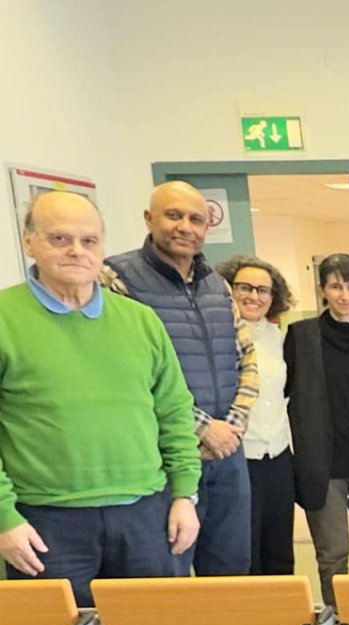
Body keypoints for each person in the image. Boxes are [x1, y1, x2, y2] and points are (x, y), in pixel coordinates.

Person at [0, 192, 200, 606]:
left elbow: (174, 413)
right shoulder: (5, 318)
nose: (76, 251)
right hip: (43, 523)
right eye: (59, 239)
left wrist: (184, 494)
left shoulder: (140, 320)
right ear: (28, 242)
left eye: (89, 241)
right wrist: (4, 518)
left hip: (147, 517)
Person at [103, 181, 256, 576]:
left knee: (231, 573)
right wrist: (202, 428)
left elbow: (247, 359)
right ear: (149, 219)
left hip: (227, 457)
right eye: (174, 215)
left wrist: (232, 427)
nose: (185, 227)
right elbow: (126, 374)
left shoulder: (217, 285)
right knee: (166, 575)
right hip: (164, 455)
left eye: (195, 219)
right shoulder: (115, 281)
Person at [284, 254, 349, 607]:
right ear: (322, 291)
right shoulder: (300, 337)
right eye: (336, 286)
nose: (345, 295)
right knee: (332, 556)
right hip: (322, 463)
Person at [216, 255, 296, 575]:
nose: (254, 296)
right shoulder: (219, 337)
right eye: (244, 287)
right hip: (237, 456)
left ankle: (284, 620)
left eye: (263, 290)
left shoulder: (281, 340)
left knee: (279, 547)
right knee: (242, 548)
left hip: (277, 455)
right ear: (229, 290)